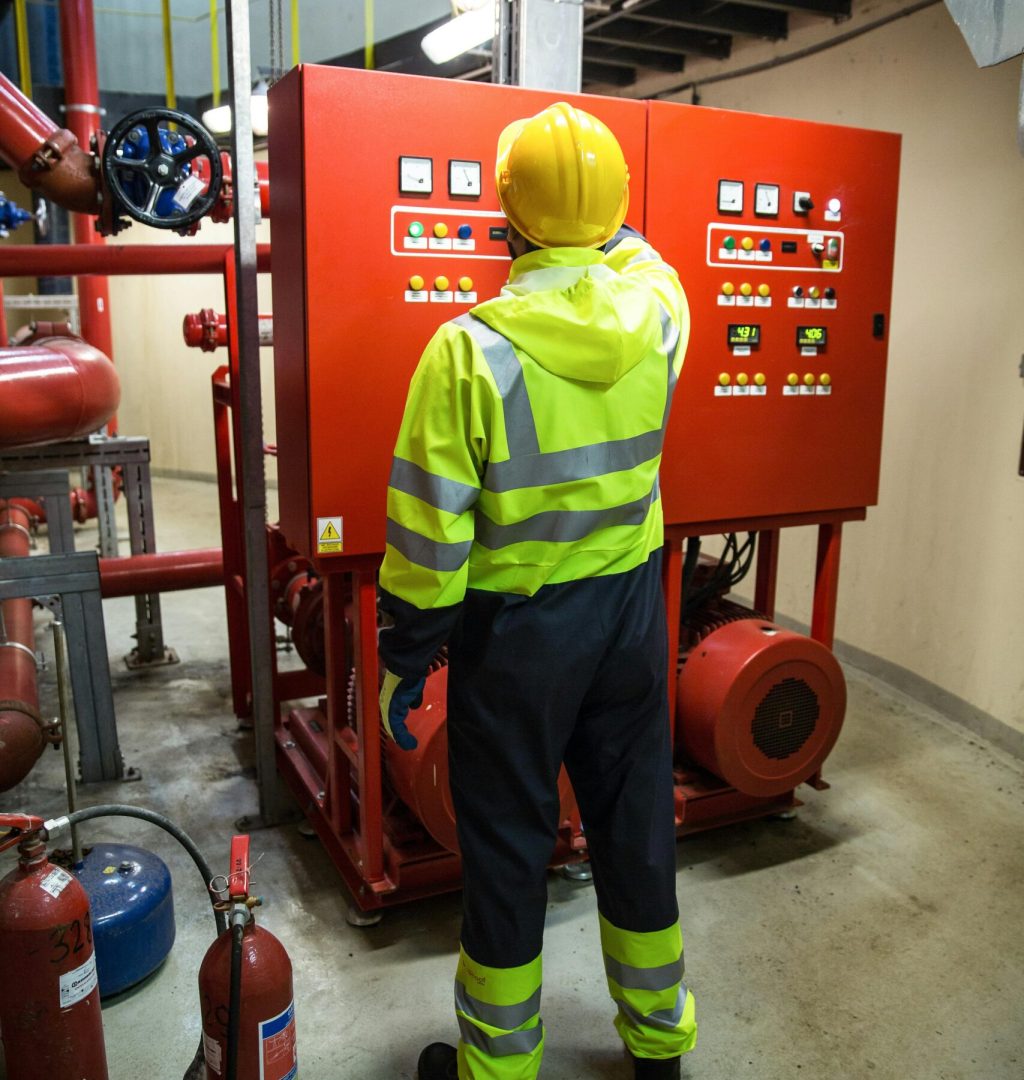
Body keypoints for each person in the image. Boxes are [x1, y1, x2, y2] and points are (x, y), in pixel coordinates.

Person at [377, 101, 696, 1080]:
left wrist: (404, 657)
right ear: (611, 217)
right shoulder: (658, 316)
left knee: (511, 846)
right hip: (632, 617)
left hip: (518, 638)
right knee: (634, 824)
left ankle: (499, 1066)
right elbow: (641, 257)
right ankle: (658, 1042)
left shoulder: (468, 350)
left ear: (504, 219)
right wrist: (598, 223)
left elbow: (428, 533)